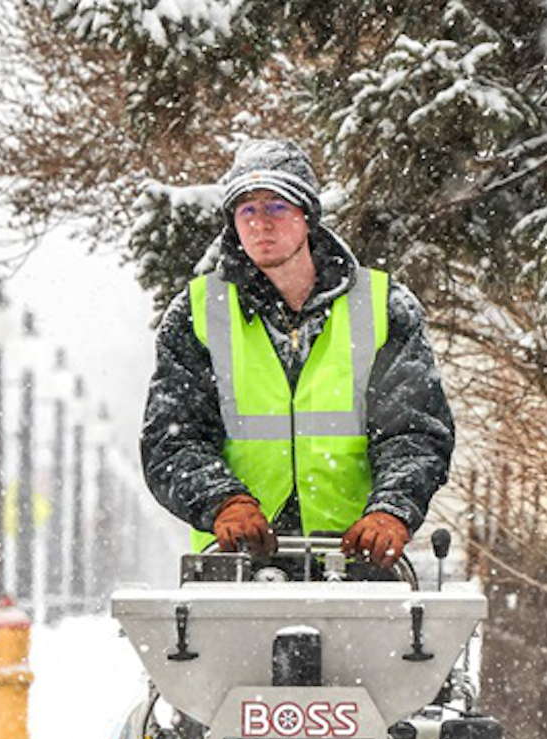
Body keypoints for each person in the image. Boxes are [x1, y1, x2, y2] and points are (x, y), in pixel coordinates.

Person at [140, 138, 455, 565]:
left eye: (276, 207)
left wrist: (391, 510)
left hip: (355, 557)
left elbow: (416, 431)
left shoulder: (382, 306)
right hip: (237, 560)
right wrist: (223, 501)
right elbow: (170, 439)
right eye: (246, 210)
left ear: (308, 217)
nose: (260, 223)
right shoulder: (197, 313)